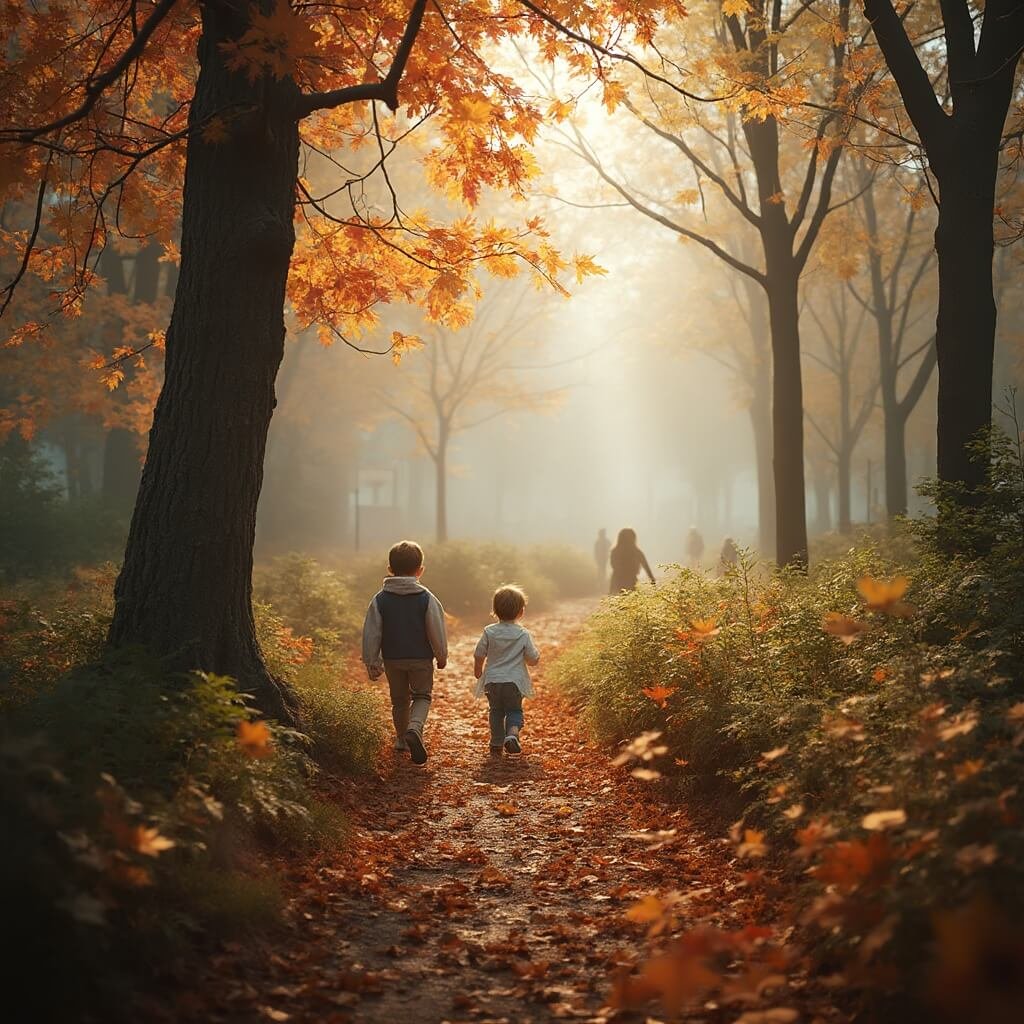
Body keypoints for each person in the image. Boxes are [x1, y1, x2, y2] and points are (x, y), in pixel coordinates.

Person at [362, 540, 448, 766]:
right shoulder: (426, 598)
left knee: (399, 700)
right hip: (420, 658)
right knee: (422, 695)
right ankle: (415, 728)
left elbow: (372, 632)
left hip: (393, 659)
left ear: (390, 569)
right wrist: (441, 655)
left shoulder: (380, 599)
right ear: (420, 570)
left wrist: (372, 661)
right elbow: (436, 629)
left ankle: (401, 739)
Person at [473, 585, 540, 755]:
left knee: (496, 711)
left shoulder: (489, 631)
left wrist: (478, 670)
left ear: (495, 610)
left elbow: (479, 652)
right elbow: (533, 659)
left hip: (493, 681)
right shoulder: (523, 634)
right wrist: (532, 658)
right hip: (514, 682)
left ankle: (496, 743)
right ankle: (512, 735)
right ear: (521, 612)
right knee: (514, 710)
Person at [608, 528, 655, 594]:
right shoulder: (636, 551)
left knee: (618, 601)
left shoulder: (615, 551)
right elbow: (646, 566)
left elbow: (613, 566)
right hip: (630, 580)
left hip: (617, 581)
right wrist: (652, 580)